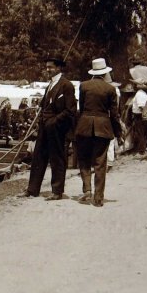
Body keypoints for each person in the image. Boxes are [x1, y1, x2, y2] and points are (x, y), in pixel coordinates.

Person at [19, 56, 76, 200]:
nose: (47, 70)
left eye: (50, 67)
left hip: (57, 128)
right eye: (46, 67)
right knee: (38, 157)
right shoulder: (49, 85)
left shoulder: (66, 85)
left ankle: (57, 192)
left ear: (58, 68)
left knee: (57, 159)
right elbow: (44, 105)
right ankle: (32, 190)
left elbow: (70, 111)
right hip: (44, 127)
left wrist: (54, 121)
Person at [74, 58, 121, 207]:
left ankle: (87, 189)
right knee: (100, 162)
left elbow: (81, 108)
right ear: (105, 72)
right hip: (103, 127)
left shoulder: (83, 86)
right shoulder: (110, 89)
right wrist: (118, 132)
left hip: (84, 125)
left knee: (84, 159)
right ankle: (98, 198)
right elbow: (114, 114)